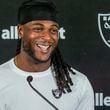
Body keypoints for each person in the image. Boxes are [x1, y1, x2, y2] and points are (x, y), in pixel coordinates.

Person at [0, 0, 94, 110]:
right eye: (38, 29)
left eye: (53, 30)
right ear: (21, 31)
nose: (48, 37)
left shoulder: (79, 83)